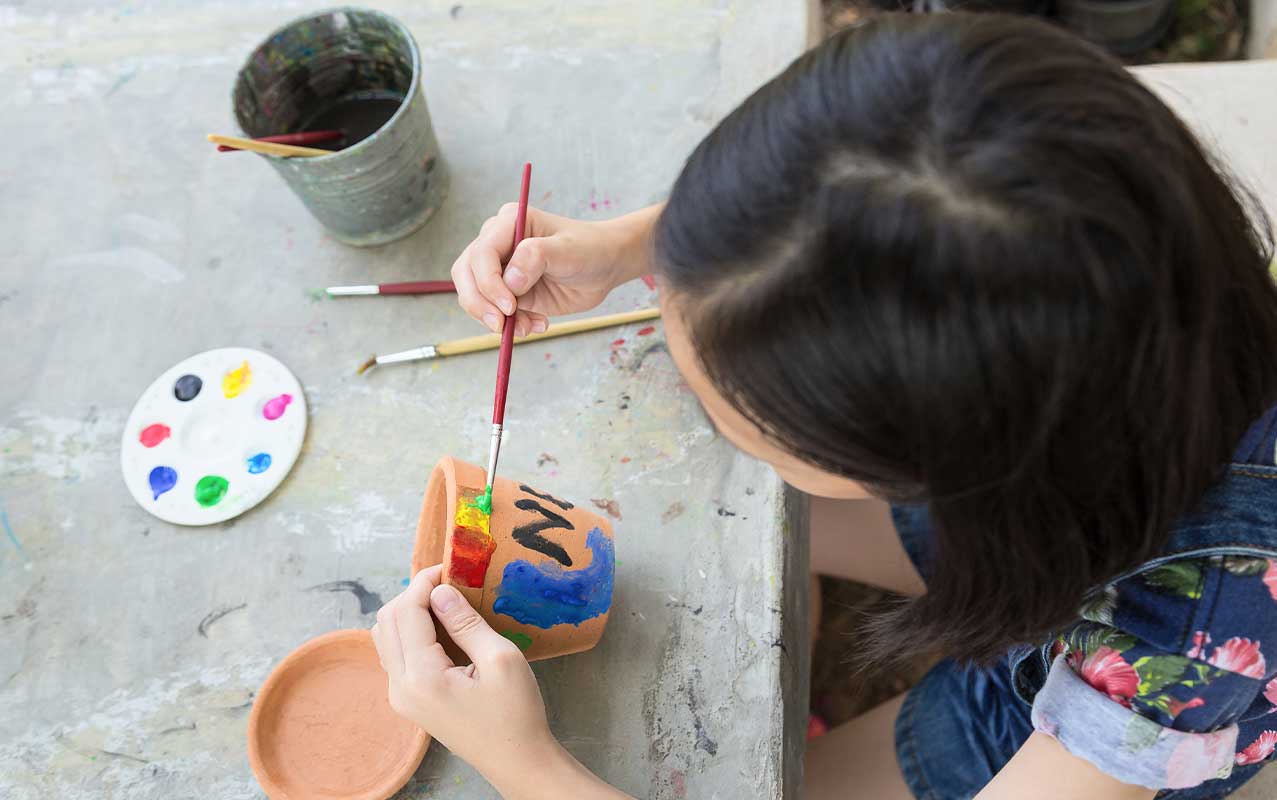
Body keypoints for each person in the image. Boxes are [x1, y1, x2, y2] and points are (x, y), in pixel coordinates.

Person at [370, 13, 1277, 799]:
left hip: (1066, 684)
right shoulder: (1111, 249)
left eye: (760, 431)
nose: (714, 409)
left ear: (945, 460)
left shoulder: (1177, 648)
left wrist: (526, 763)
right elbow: (858, 190)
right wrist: (659, 248)